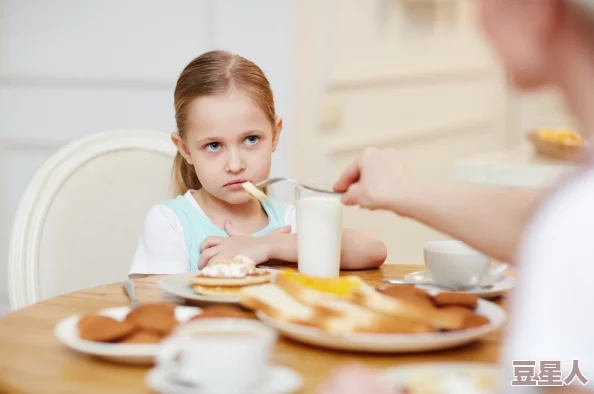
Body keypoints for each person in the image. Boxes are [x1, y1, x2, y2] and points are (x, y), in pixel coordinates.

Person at [320, 0, 594, 392]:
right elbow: (535, 223)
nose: (479, 23)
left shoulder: (577, 220)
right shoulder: (573, 214)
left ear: (538, 11)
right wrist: (400, 193)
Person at [129, 50, 387, 275]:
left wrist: (268, 246)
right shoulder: (169, 222)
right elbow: (158, 306)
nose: (235, 164)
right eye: (214, 145)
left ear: (275, 135)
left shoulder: (289, 221)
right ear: (185, 149)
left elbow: (373, 249)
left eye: (251, 139)